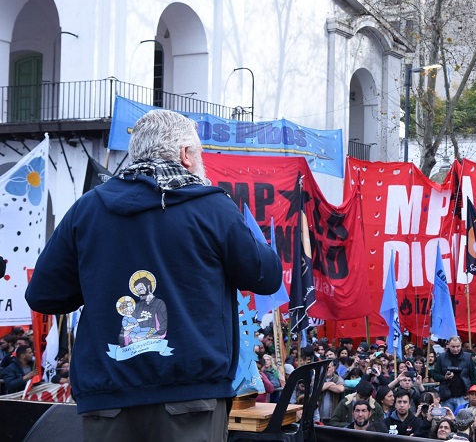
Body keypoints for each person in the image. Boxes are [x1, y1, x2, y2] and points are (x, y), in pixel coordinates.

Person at [25, 109, 283, 440]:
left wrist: (100, 281)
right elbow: (265, 276)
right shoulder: (213, 208)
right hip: (189, 396)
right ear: (185, 155)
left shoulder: (87, 209)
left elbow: (44, 294)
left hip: (109, 395)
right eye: (199, 152)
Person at [431, 336, 476, 412]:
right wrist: (444, 377)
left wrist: (471, 393)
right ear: (448, 345)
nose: (455, 349)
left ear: (461, 344)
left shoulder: (467, 357)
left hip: (463, 396)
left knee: (463, 421)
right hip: (446, 396)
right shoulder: (441, 357)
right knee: (447, 421)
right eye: (453, 346)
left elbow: (473, 377)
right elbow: (434, 374)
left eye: (458, 346)